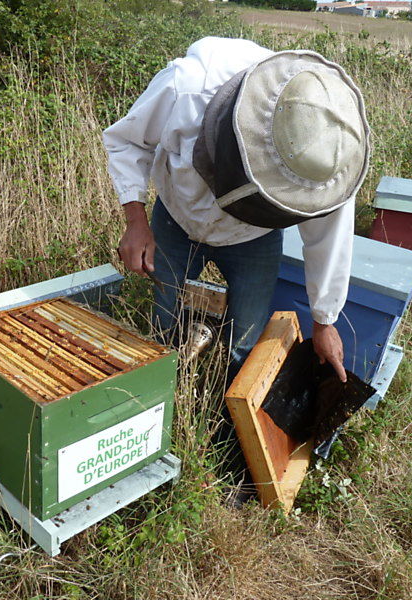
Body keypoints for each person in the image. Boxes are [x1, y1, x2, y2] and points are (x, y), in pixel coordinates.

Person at [103, 36, 370, 384]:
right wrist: (135, 221)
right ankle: (162, 396)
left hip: (253, 238)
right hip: (177, 218)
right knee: (163, 326)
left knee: (245, 345)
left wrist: (324, 321)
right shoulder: (186, 88)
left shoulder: (330, 153)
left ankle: (228, 415)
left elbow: (329, 239)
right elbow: (127, 140)